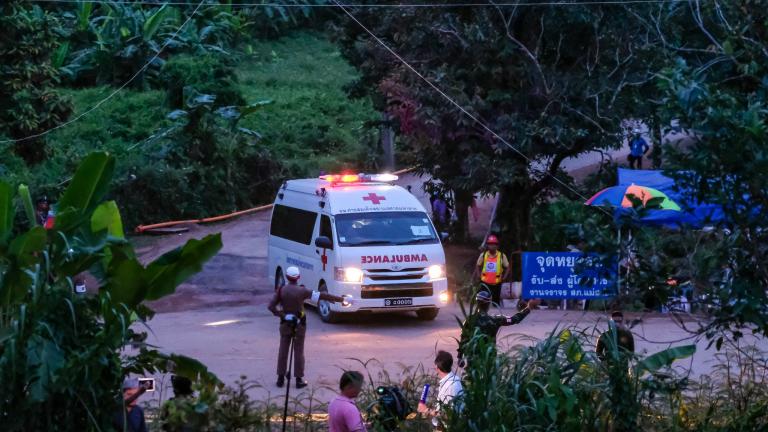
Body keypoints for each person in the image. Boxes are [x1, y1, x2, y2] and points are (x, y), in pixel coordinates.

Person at [268, 266, 348, 389]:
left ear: (287, 277)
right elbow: (322, 296)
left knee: (283, 350)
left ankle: (280, 379)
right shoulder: (303, 291)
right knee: (299, 351)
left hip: (285, 324)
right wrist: (341, 299)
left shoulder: (281, 290)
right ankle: (299, 379)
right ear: (298, 277)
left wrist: (283, 315)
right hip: (300, 325)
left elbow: (271, 306)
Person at [457, 291, 532, 366]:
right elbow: (514, 319)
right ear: (489, 304)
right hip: (489, 356)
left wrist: (460, 357)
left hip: (473, 357)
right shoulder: (495, 320)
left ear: (477, 303)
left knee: (473, 376)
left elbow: (463, 339)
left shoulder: (469, 320)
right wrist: (528, 309)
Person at [418, 351, 463, 418]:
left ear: (436, 367)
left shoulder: (450, 386)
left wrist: (426, 410)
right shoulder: (454, 379)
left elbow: (448, 415)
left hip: (446, 428)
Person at [472, 235, 511, 306]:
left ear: (496, 246)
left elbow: (508, 267)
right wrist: (478, 275)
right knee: (483, 302)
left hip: (496, 284)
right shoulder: (483, 255)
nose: (491, 246)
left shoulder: (502, 256)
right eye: (490, 244)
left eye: (493, 244)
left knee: (495, 303)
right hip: (485, 283)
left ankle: (495, 316)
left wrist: (504, 277)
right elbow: (477, 265)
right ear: (487, 245)